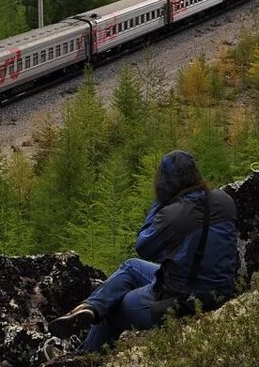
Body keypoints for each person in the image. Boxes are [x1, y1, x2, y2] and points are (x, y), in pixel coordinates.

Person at [46, 150, 238, 354]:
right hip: (221, 289)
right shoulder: (224, 200)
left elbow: (144, 246)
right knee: (130, 266)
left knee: (112, 311)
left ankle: (82, 357)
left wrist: (160, 200)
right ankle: (90, 307)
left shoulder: (172, 215)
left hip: (183, 301)